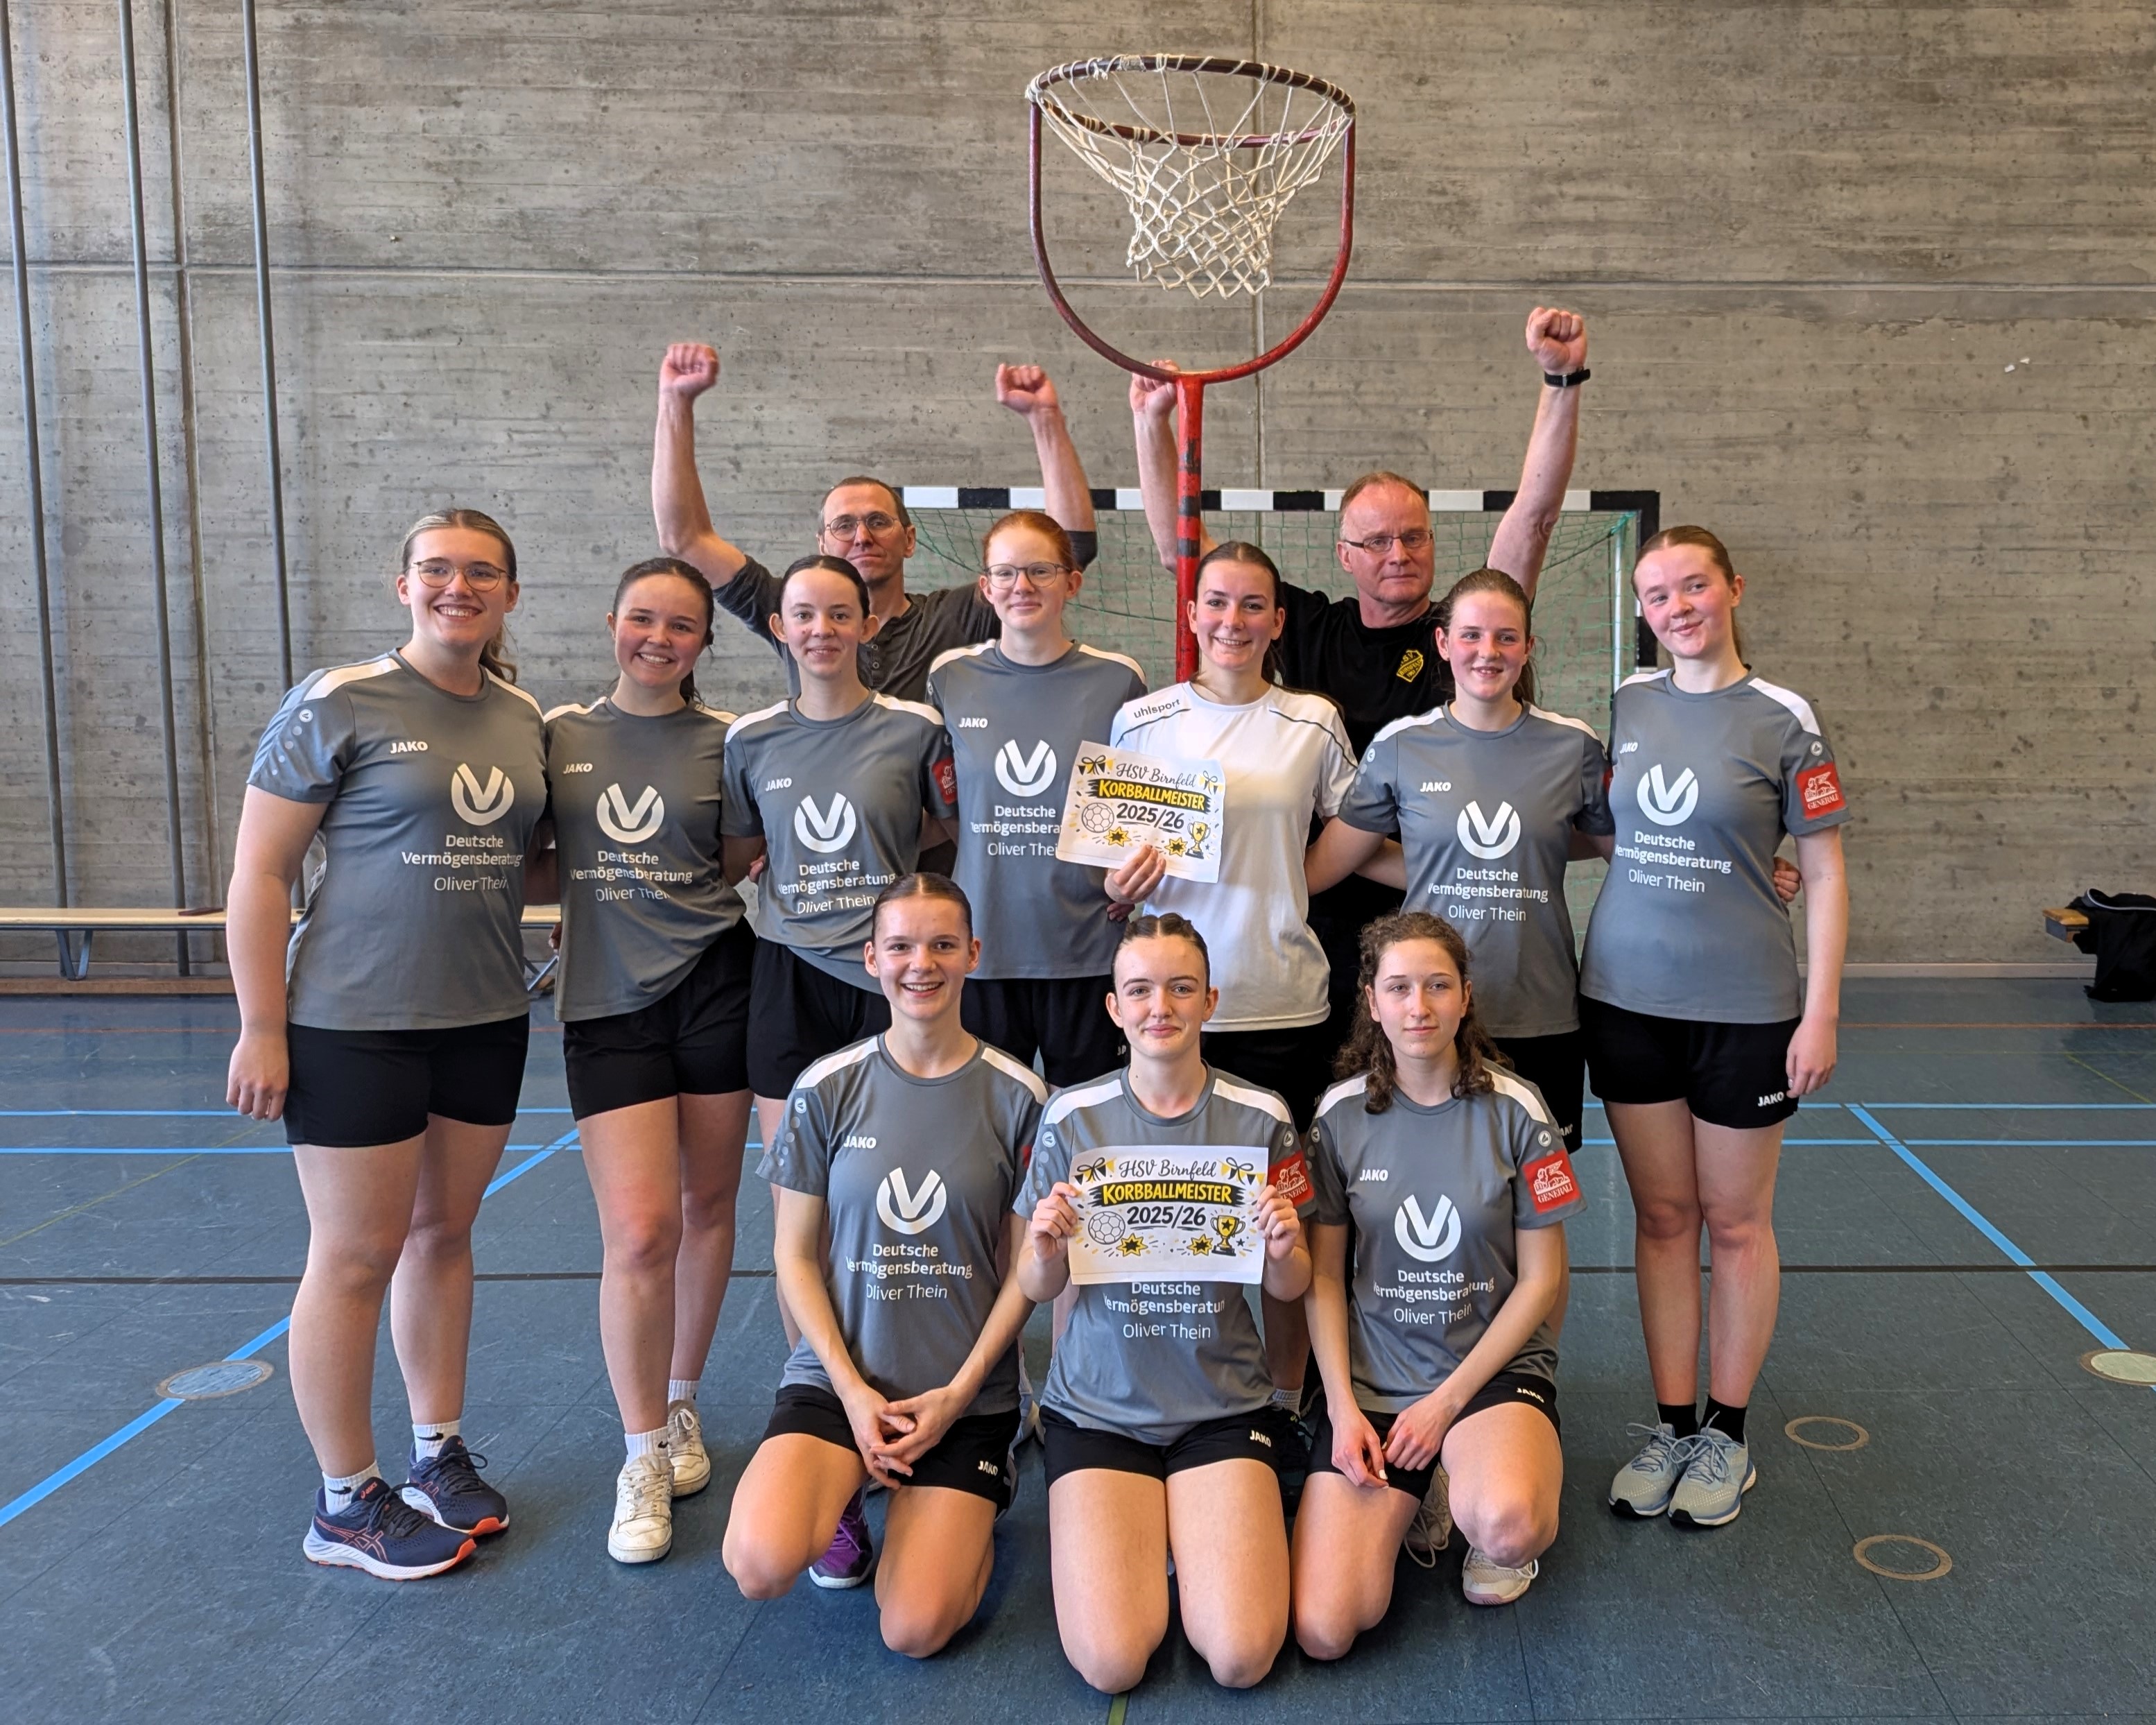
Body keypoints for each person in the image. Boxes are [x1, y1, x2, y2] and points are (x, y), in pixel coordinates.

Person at [225, 507, 546, 1580]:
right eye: (437, 569)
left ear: (510, 593)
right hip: (351, 1022)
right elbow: (261, 871)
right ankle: (345, 1499)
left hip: (483, 1016)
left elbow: (524, 858)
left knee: (442, 1234)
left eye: (482, 572)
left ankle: (435, 1451)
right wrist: (262, 1023)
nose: (460, 587)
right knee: (355, 1252)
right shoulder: (340, 697)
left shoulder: (520, 714)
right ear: (402, 584)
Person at [1130, 309, 1593, 1052]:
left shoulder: (1461, 634)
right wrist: (1153, 423)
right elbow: (1181, 552)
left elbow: (1533, 519)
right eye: (1376, 541)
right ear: (1344, 555)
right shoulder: (1306, 624)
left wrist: (1560, 381)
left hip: (1428, 922)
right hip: (1313, 920)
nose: (1398, 553)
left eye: (1412, 536)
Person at [1582, 526, 1849, 1529]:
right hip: (1624, 1000)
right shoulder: (1629, 701)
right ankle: (1670, 1426)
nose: (1676, 607)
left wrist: (1819, 1009)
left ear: (1732, 588)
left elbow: (1822, 869)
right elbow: (1616, 830)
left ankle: (1727, 1435)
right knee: (1662, 1219)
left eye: (1692, 585)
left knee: (1735, 1222)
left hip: (1745, 1010)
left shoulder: (1785, 717)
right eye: (1657, 595)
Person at [723, 875, 1044, 1650]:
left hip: (960, 1397)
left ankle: (966, 1499)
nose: (920, 964)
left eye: (942, 945)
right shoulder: (825, 1087)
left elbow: (1024, 1276)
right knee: (758, 1563)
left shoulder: (1021, 1097)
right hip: (841, 1386)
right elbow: (793, 1254)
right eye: (900, 946)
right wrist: (853, 1391)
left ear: (973, 953)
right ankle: (847, 1485)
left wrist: (959, 1395)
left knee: (914, 1627)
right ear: (871, 958)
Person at [1016, 913, 1311, 1693]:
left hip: (1221, 1407)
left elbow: (1291, 1285)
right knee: (1112, 1663)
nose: (1161, 1007)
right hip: (1098, 1411)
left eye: (1181, 988)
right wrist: (1043, 1249)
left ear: (1209, 1000)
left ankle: (1191, 1528)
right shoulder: (1070, 1117)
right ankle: (1157, 1532)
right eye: (1140, 990)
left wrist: (1284, 1248)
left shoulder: (1264, 1117)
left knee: (1242, 1657)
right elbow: (1035, 1286)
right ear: (1114, 1007)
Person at [1103, 541, 1353, 1427]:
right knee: (1167, 1221)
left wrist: (1293, 882)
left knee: (1285, 1227)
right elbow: (1109, 861)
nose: (1232, 621)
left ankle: (1284, 1403)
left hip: (1281, 1005)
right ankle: (1175, 1399)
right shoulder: (1140, 721)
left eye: (1253, 606)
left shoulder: (1313, 721)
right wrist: (1114, 883)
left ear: (1277, 621)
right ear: (1191, 613)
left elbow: (1358, 828)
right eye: (1216, 602)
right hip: (1170, 1015)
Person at [537, 557, 753, 1563]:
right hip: (606, 1005)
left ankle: (679, 1403)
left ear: (704, 641)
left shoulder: (729, 742)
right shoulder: (559, 735)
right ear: (612, 621)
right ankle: (638, 1454)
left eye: (681, 625)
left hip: (716, 987)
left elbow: (735, 861)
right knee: (637, 1231)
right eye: (642, 619)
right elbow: (531, 853)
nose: (659, 639)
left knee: (708, 1206)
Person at [1293, 913, 1579, 1659]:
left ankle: (1472, 1475)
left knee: (1507, 1525)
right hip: (1378, 1380)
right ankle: (1421, 1492)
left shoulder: (1520, 1110)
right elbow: (1321, 1276)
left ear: (1465, 996)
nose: (1417, 1006)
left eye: (1436, 986)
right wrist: (1342, 1407)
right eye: (1398, 988)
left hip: (1487, 1374)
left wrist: (1447, 1404)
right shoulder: (1338, 1116)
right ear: (1372, 1000)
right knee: (1324, 1628)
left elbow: (1542, 1279)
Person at [1304, 567, 1613, 1153]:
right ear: (1443, 644)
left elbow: (1628, 850)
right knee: (1435, 1178)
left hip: (1538, 1009)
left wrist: (1749, 862)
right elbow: (1336, 858)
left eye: (1505, 636)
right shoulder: (1400, 745)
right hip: (1427, 1017)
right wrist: (1232, 880)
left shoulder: (1573, 745)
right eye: (1470, 635)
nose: (1487, 652)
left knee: (1537, 1191)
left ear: (1527, 646)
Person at [654, 345, 1098, 702]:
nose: (862, 537)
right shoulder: (793, 609)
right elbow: (685, 538)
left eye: (878, 521)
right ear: (823, 545)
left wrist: (1045, 419)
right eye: (844, 526)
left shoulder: (955, 617)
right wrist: (675, 401)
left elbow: (1068, 548)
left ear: (910, 539)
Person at [927, 509, 1147, 1087]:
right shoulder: (950, 678)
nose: (1020, 586)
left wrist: (1127, 880)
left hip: (1087, 948)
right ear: (986, 587)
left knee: (1087, 1123)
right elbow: (944, 805)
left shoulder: (1118, 680)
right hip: (984, 949)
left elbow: (1138, 810)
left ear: (1071, 582)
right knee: (991, 1124)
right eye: (1005, 573)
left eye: (1039, 570)